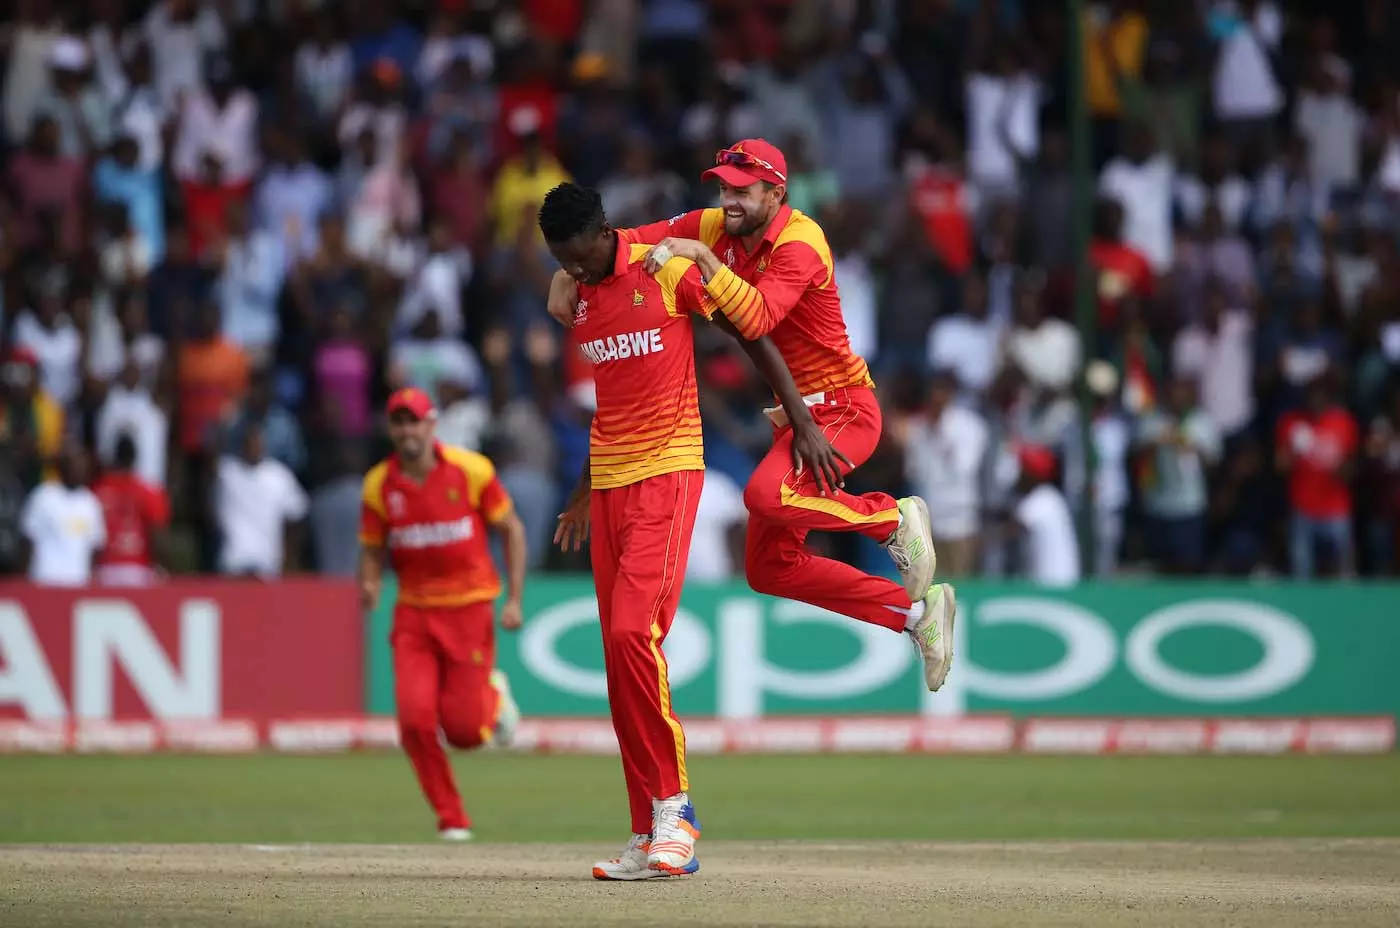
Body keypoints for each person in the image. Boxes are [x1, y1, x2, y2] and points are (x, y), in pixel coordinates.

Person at [546, 138, 954, 693]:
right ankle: (916, 616)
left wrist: (702, 258)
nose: (728, 201)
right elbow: (620, 244)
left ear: (776, 194)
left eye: (742, 191)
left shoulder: (801, 241)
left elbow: (757, 318)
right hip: (797, 417)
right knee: (769, 568)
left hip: (841, 408)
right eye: (723, 188)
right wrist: (567, 274)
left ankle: (890, 520)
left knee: (764, 495)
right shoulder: (715, 225)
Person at [540, 181, 802, 880]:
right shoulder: (577, 292)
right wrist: (581, 493)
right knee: (618, 662)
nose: (575, 269)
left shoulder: (664, 267)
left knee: (634, 634)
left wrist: (799, 416)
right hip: (608, 486)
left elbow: (750, 332)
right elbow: (611, 401)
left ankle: (676, 811)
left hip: (668, 474)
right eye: (562, 261)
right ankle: (644, 828)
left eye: (580, 256)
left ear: (605, 231)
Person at [357, 387, 527, 841]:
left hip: (469, 608)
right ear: (390, 430)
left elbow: (511, 530)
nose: (407, 431)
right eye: (398, 423)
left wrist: (514, 599)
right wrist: (370, 583)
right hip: (413, 614)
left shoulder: (471, 470)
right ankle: (451, 817)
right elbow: (372, 546)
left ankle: (494, 696)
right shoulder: (379, 484)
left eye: (414, 421)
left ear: (431, 425)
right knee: (414, 721)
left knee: (466, 733)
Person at [20, 444, 105, 587]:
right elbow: (27, 540)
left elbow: (95, 547)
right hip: (44, 581)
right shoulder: (43, 496)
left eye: (81, 465)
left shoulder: (90, 503)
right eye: (73, 464)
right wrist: (25, 580)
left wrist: (90, 580)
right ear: (62, 467)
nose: (78, 470)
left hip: (78, 583)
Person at [91, 433, 170, 586]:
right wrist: (162, 565)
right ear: (135, 458)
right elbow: (157, 534)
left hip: (105, 568)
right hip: (137, 568)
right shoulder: (148, 491)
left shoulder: (97, 491)